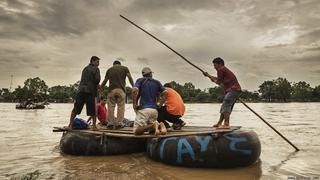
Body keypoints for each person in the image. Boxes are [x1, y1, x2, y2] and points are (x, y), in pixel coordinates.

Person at [203, 57, 241, 129]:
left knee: (226, 104)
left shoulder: (221, 69)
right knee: (225, 106)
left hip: (233, 89)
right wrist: (208, 76)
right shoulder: (223, 70)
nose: (214, 67)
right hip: (234, 90)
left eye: (215, 65)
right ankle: (219, 123)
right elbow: (218, 80)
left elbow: (218, 82)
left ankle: (226, 124)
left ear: (220, 64)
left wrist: (209, 77)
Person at [132, 67, 168, 135]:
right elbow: (166, 93)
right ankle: (160, 126)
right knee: (152, 131)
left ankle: (154, 125)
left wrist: (134, 104)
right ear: (151, 74)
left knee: (136, 131)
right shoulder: (157, 82)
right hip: (154, 110)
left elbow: (134, 90)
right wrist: (159, 104)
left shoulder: (140, 80)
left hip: (144, 109)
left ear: (143, 75)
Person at [68, 56, 101, 129]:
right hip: (90, 91)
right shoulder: (96, 69)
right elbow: (97, 80)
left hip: (81, 91)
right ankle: (94, 126)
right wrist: (98, 85)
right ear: (93, 61)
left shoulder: (85, 69)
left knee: (76, 109)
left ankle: (70, 124)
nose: (98, 64)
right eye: (97, 62)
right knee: (93, 110)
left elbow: (88, 80)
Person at [100, 60, 134, 129]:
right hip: (121, 91)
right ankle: (119, 123)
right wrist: (133, 86)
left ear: (114, 64)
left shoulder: (109, 70)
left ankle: (110, 124)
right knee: (121, 107)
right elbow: (129, 77)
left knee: (111, 107)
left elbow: (105, 80)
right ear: (119, 64)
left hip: (111, 91)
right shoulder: (124, 68)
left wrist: (101, 88)